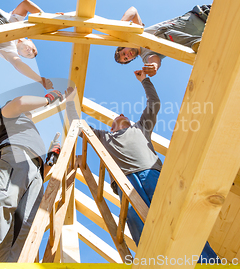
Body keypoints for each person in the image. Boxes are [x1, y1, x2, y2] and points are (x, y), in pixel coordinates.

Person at [64, 70, 218, 262]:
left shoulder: (140, 127)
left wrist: (145, 80)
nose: (121, 114)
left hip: (151, 173)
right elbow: (78, 127)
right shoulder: (104, 137)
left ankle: (209, 262)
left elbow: (154, 104)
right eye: (116, 115)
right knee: (142, 231)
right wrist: (70, 102)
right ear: (111, 126)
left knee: (175, 220)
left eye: (123, 113)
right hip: (125, 184)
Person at [0, 89, 64, 263]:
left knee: (22, 231)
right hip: (15, 155)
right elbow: (20, 102)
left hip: (35, 171)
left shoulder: (30, 130)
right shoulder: (7, 115)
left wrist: (50, 160)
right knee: (0, 209)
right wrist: (48, 99)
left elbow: (37, 172)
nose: (31, 115)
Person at [114, 5, 211, 76]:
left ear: (124, 46)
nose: (127, 56)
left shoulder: (139, 34)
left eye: (123, 53)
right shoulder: (145, 57)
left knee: (160, 35)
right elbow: (154, 59)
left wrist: (121, 24)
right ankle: (201, 45)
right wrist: (154, 66)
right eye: (126, 59)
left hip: (201, 14)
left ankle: (199, 44)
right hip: (210, 30)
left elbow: (133, 10)